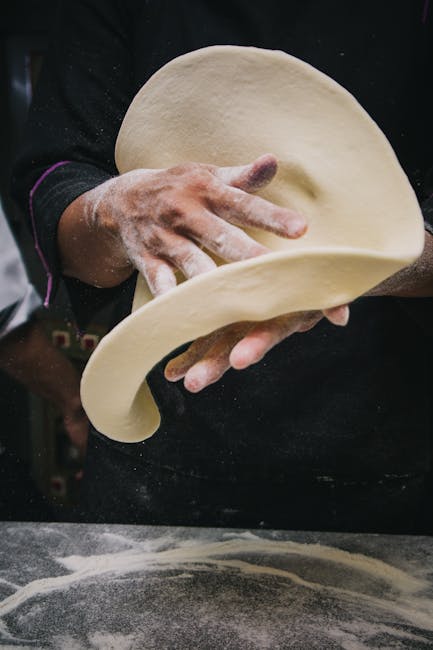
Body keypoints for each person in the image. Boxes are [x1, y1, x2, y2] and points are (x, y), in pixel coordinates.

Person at [11, 0, 433, 532]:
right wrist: (114, 212)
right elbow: (57, 178)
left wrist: (351, 264)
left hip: (386, 454)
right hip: (164, 460)